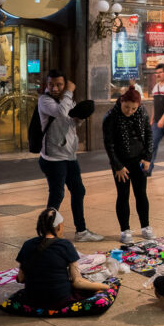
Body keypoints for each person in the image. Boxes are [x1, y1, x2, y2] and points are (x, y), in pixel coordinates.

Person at [38, 70, 103, 242]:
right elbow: (60, 112)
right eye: (51, 84)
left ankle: (81, 231)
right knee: (57, 195)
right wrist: (69, 92)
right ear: (47, 84)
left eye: (59, 84)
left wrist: (79, 117)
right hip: (53, 158)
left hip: (69, 156)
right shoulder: (44, 100)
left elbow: (70, 122)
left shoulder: (67, 99)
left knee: (78, 191)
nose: (55, 88)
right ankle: (47, 233)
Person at [15, 208, 110, 310]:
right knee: (87, 288)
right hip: (59, 300)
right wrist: (107, 287)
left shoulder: (27, 244)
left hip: (31, 300)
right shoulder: (65, 245)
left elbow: (20, 279)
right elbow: (78, 282)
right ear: (60, 226)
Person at [102, 86, 154, 244]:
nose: (129, 111)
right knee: (123, 195)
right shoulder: (111, 116)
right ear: (121, 101)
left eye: (133, 108)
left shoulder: (142, 112)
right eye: (126, 107)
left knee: (141, 194)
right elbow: (109, 144)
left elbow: (149, 135)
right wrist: (117, 165)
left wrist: (147, 158)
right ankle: (125, 229)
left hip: (139, 160)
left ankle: (146, 226)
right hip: (121, 163)